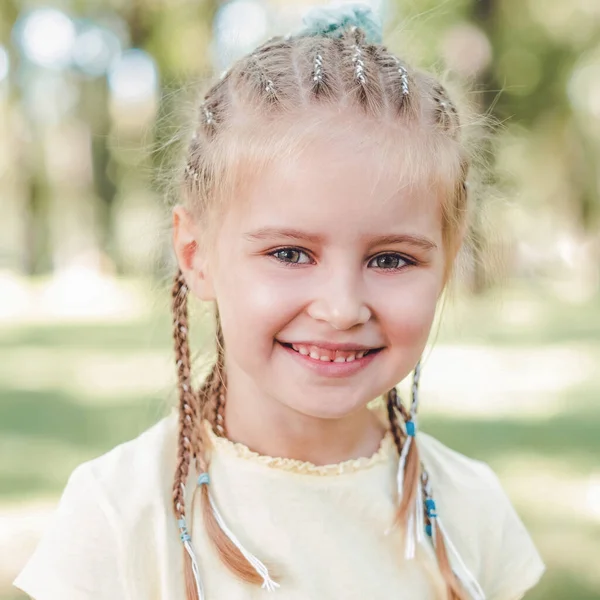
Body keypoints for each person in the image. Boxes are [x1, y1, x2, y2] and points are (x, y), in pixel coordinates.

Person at [13, 4, 545, 600]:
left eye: (391, 259)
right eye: (290, 254)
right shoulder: (118, 515)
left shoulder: (470, 511)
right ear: (196, 254)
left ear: (446, 263)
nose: (342, 308)